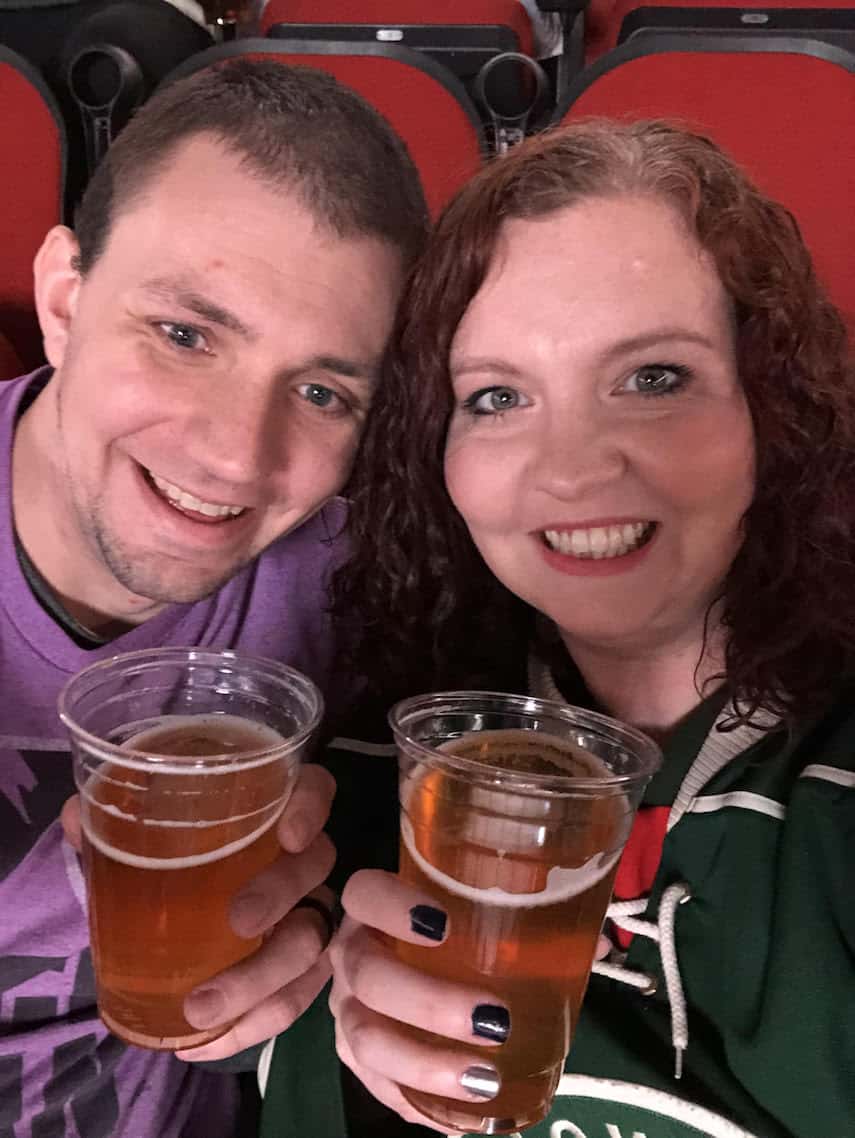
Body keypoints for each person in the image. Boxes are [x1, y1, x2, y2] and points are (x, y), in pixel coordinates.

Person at [315, 120, 853, 1137]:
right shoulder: (367, 769)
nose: (569, 469)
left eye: (653, 377)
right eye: (497, 396)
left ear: (771, 406)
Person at [0, 58, 427, 1138]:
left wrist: (321, 928)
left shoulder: (360, 584)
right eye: (185, 334)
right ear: (63, 299)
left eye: (323, 391)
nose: (238, 458)